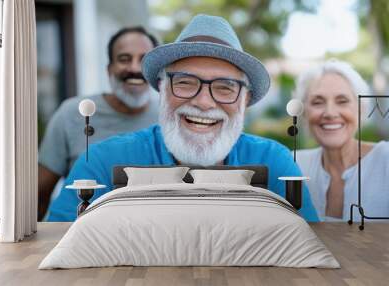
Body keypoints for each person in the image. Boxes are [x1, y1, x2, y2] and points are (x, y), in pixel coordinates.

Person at [47, 14, 318, 222]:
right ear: (162, 90)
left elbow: (311, 245)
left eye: (225, 87)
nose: (203, 102)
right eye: (186, 83)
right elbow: (57, 243)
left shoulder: (274, 162)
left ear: (245, 100)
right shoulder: (102, 161)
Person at [38, 26, 160, 220]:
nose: (135, 68)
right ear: (109, 68)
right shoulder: (72, 113)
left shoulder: (169, 119)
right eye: (124, 59)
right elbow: (39, 194)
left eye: (144, 60)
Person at [294, 59, 389, 221]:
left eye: (342, 101)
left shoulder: (385, 160)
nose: (330, 112)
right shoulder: (295, 164)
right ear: (304, 113)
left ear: (361, 108)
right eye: (318, 102)